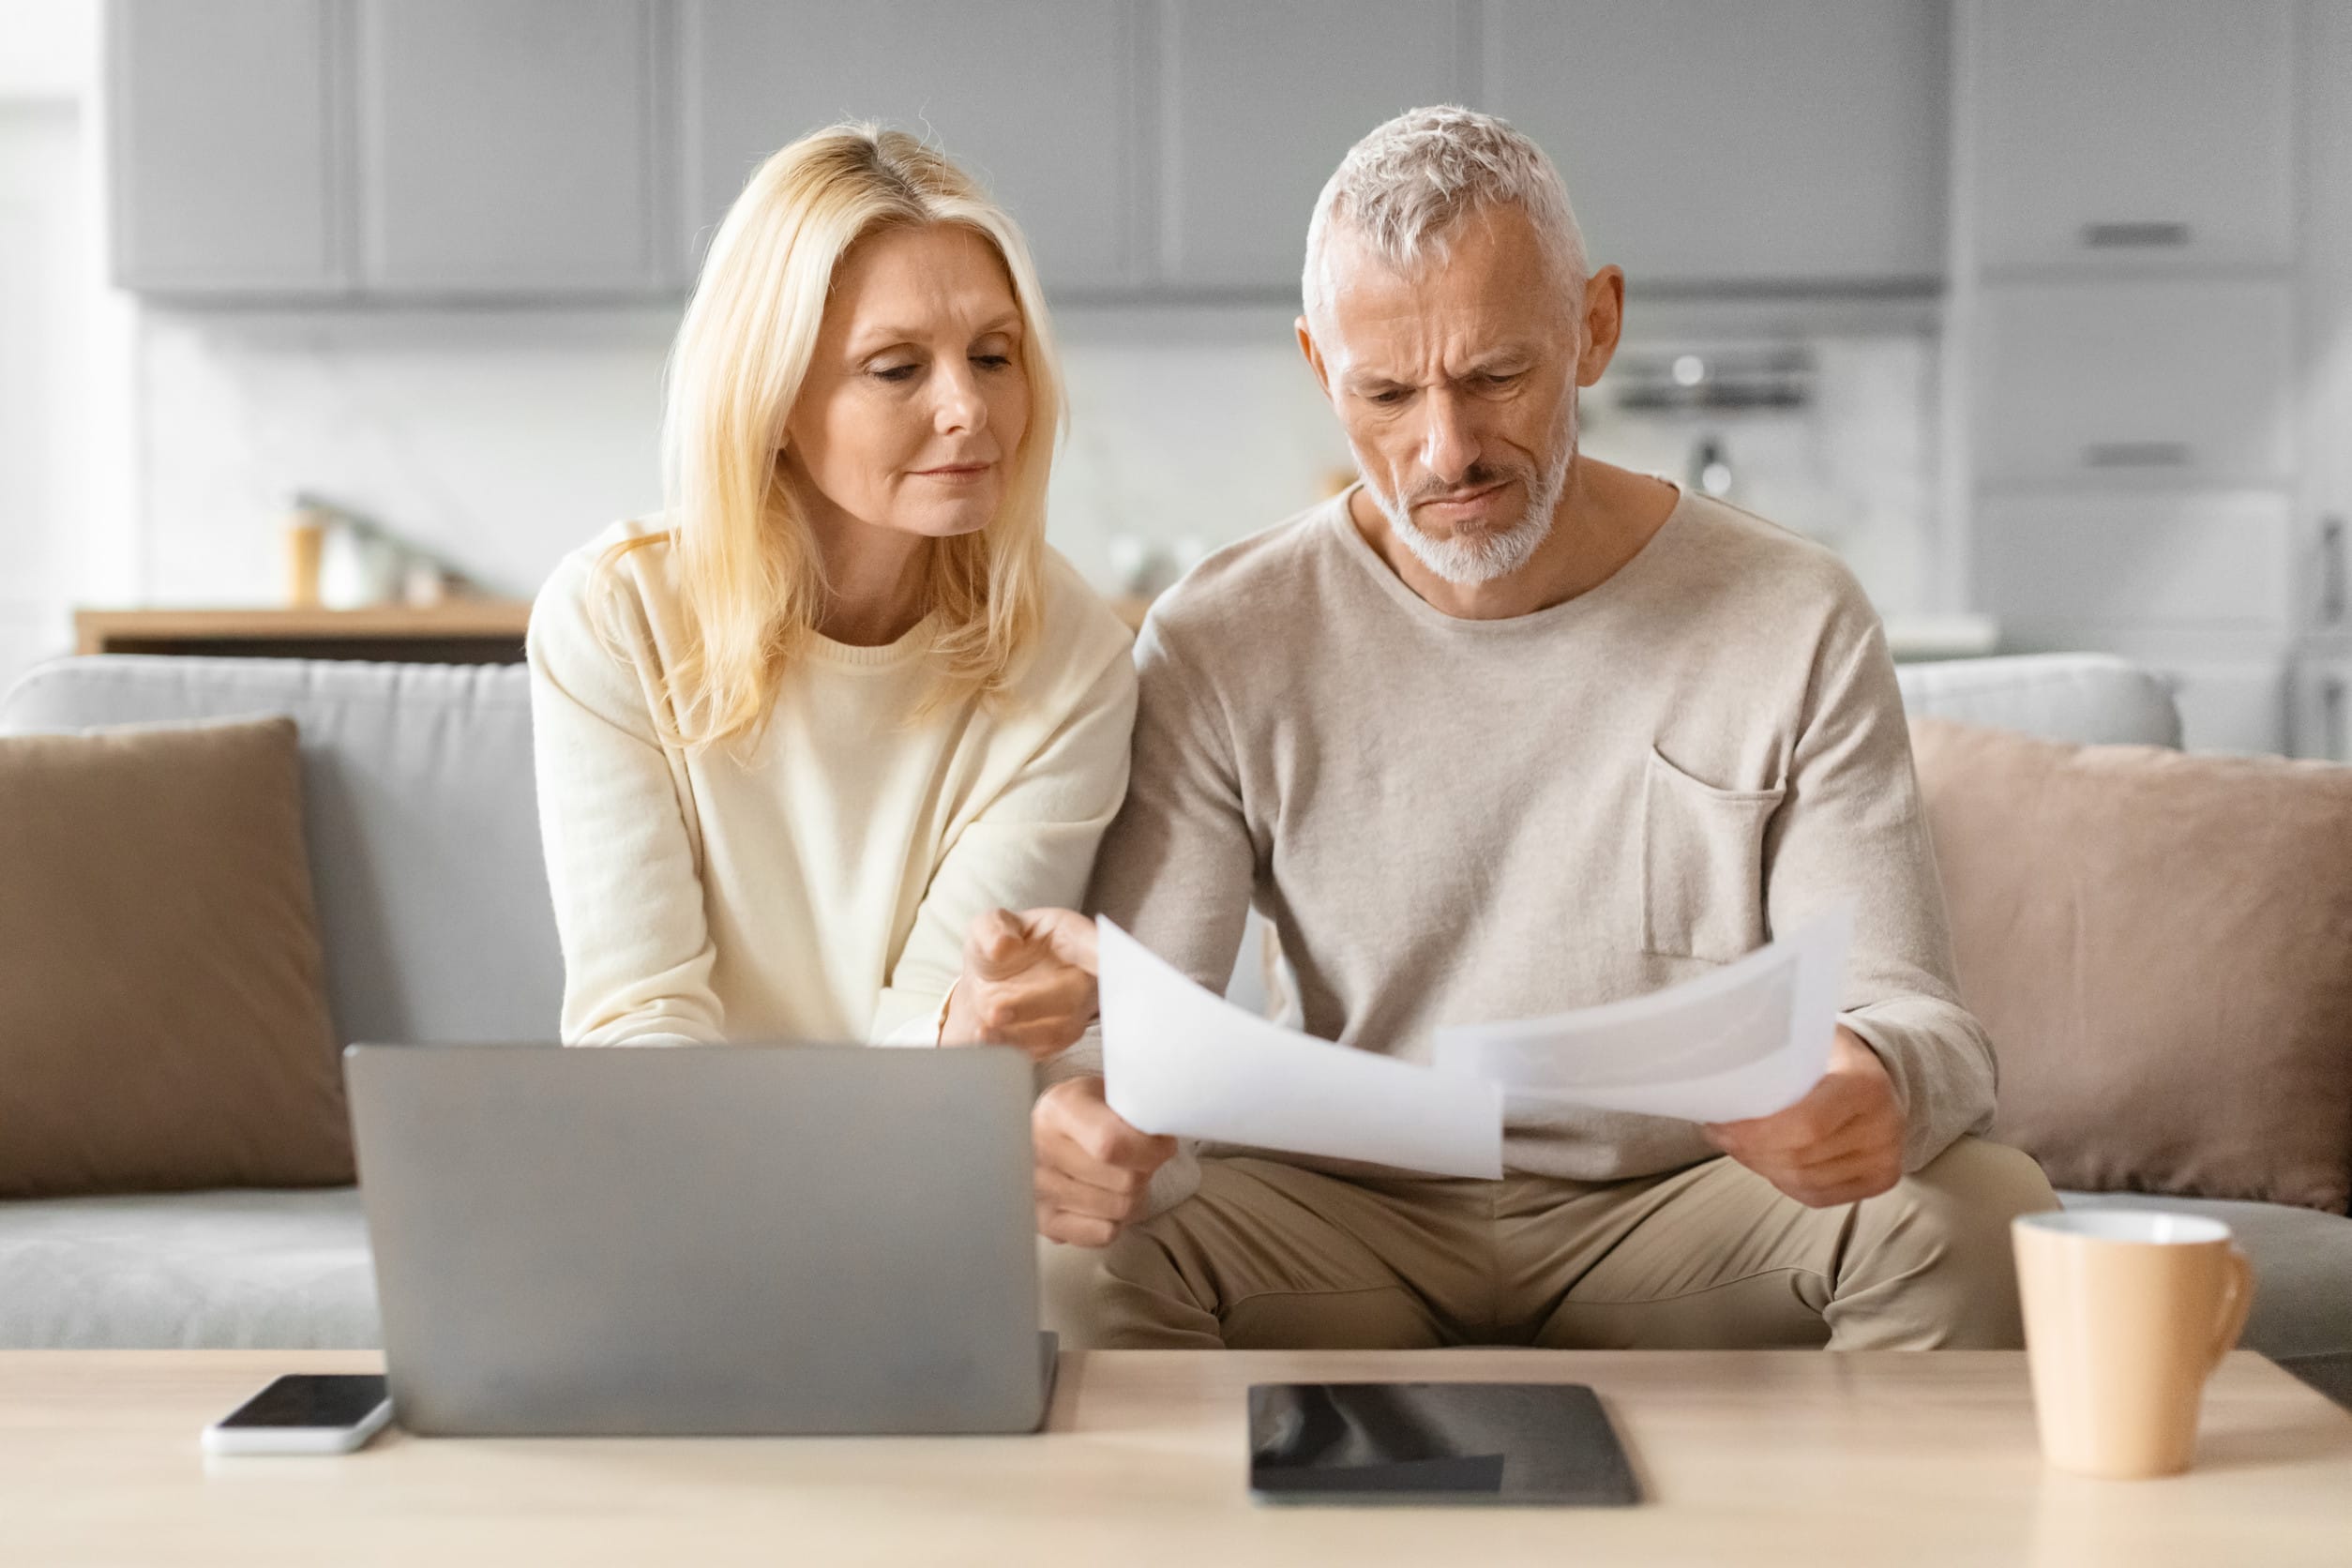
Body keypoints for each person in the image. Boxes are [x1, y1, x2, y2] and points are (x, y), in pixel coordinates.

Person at [1034, 106, 2058, 1350]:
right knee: (1069, 1257)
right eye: (1386, 393)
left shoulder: (1793, 613)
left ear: (1595, 326)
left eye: (1494, 376)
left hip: (1687, 1207)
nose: (1445, 449)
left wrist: (1875, 1084)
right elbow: (1145, 1039)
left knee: (1983, 1213)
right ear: (1319, 368)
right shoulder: (1221, 634)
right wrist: (1079, 1116)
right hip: (1344, 1214)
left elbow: (1917, 1016)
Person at [528, 124, 1127, 1063]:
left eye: (994, 355)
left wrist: (971, 1026)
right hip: (687, 1153)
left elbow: (942, 1014)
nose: (966, 405)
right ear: (767, 401)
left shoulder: (1070, 651)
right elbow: (639, 1018)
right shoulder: (616, 617)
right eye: (897, 368)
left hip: (925, 1154)